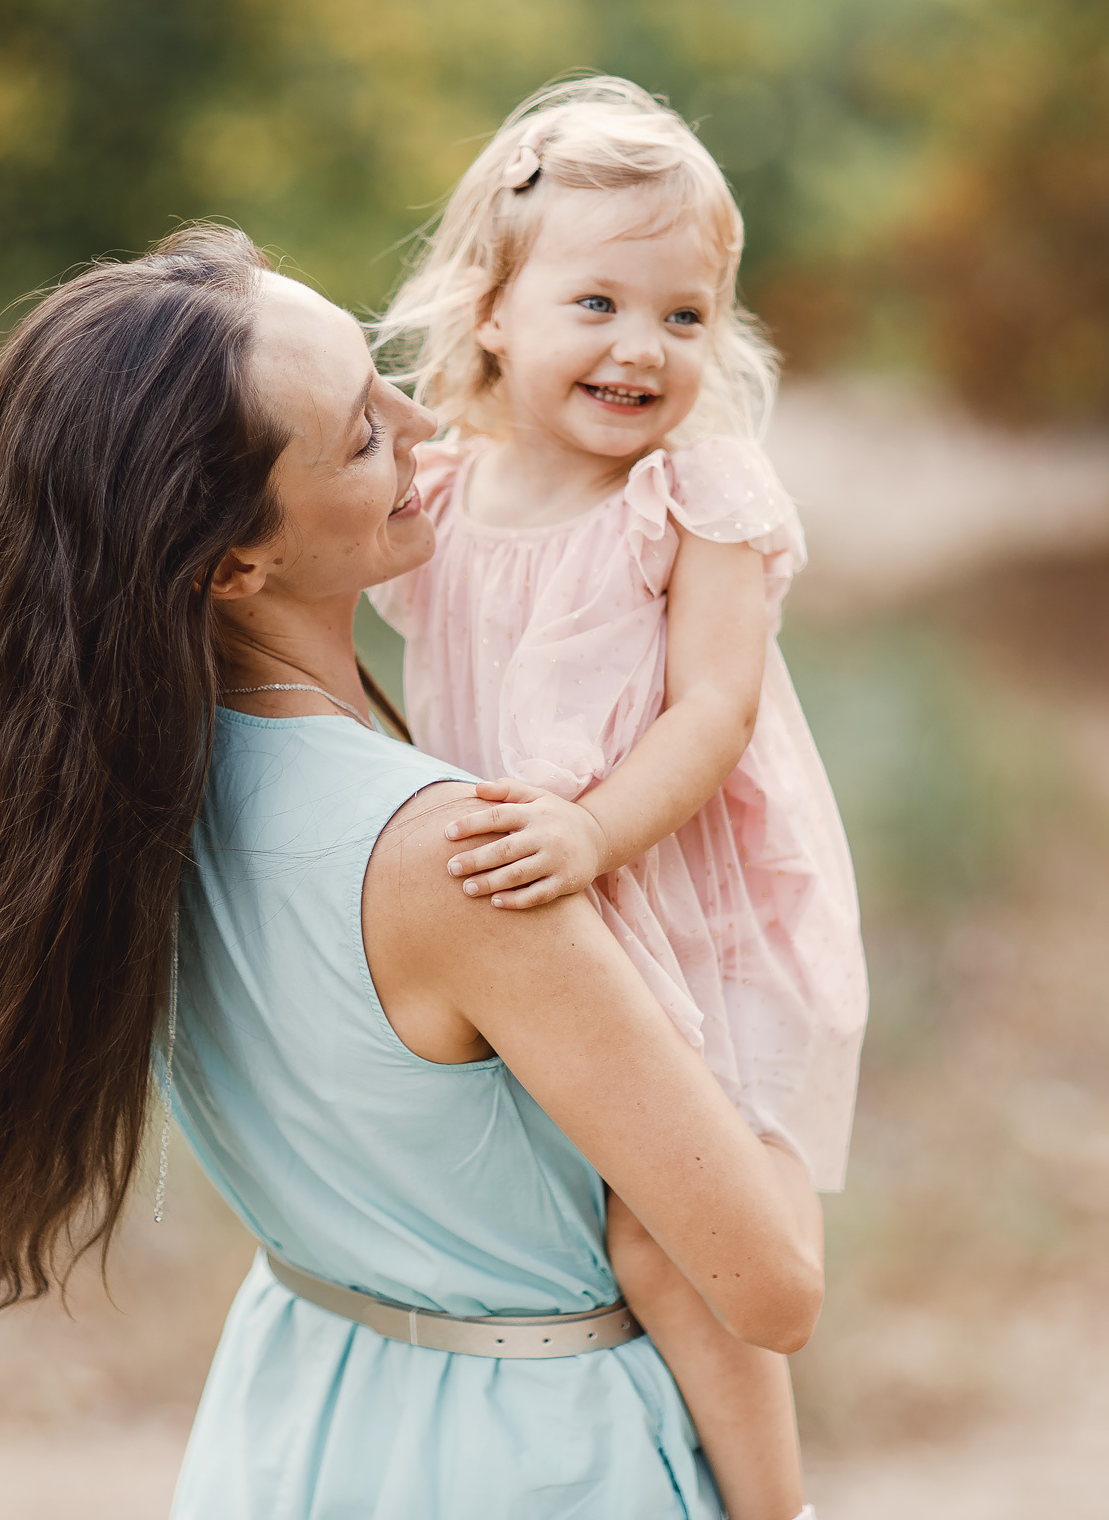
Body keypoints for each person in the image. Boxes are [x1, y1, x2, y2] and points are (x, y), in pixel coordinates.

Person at [0, 224, 823, 1518]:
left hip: (303, 1416)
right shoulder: (446, 857)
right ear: (234, 562)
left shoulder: (115, 799)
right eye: (364, 435)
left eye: (385, 381)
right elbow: (768, 1284)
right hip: (536, 1459)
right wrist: (772, 1021)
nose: (427, 431)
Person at [367, 77, 869, 1520]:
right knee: (566, 1227)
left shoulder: (695, 492)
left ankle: (777, 1507)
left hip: (681, 897)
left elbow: (713, 709)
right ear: (492, 314)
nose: (642, 349)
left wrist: (590, 828)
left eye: (685, 315)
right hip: (530, 914)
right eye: (595, 304)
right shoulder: (444, 496)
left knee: (670, 1237)